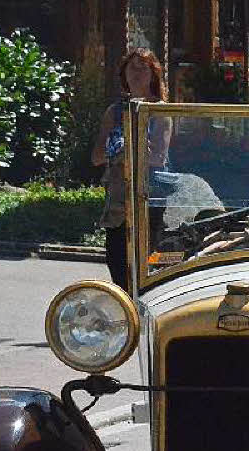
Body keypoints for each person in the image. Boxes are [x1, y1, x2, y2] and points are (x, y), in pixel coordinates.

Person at [92, 48, 171, 290]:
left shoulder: (161, 111)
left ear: (153, 74)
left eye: (142, 67)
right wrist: (118, 149)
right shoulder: (115, 112)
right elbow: (96, 157)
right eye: (131, 67)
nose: (136, 74)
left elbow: (159, 157)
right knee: (116, 262)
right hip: (119, 198)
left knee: (144, 268)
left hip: (149, 198)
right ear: (123, 74)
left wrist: (136, 148)